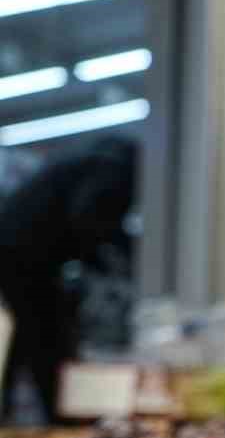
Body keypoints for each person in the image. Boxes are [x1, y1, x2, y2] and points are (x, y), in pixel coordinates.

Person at [0, 135, 138, 422]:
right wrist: (119, 259)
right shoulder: (116, 166)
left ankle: (26, 414)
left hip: (22, 249)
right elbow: (89, 216)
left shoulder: (104, 157)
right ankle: (62, 419)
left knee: (28, 335)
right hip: (23, 252)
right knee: (45, 335)